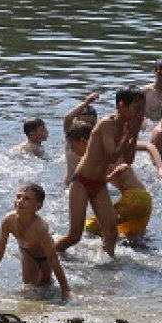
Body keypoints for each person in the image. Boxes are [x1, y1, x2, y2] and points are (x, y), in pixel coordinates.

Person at [55, 86, 146, 257]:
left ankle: (107, 272)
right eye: (137, 108)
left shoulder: (127, 127)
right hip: (81, 182)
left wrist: (134, 135)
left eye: (142, 109)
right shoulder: (106, 124)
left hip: (100, 184)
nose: (140, 113)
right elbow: (111, 156)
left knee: (111, 234)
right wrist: (129, 134)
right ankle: (48, 255)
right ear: (121, 106)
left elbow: (128, 160)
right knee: (75, 236)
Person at [0, 183, 70, 302]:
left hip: (45, 257)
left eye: (26, 199)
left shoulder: (40, 227)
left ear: (38, 206)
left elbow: (53, 259)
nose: (20, 201)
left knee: (46, 287)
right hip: (27, 252)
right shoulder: (8, 220)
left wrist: (65, 291)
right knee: (30, 290)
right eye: (18, 197)